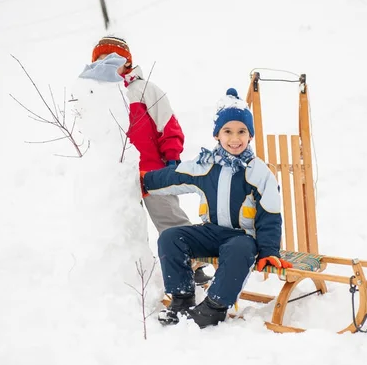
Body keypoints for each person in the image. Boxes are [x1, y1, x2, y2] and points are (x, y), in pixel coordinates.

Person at [141, 88, 293, 329]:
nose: (235, 138)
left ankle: (214, 307)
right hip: (211, 232)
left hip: (242, 237)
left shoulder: (258, 171)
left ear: (250, 136)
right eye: (228, 131)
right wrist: (143, 181)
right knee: (171, 237)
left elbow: (270, 215)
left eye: (242, 131)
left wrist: (268, 250)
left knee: (238, 249)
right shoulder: (206, 166)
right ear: (217, 135)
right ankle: (181, 298)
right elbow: (174, 176)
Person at [84, 35, 211, 284]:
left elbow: (169, 126)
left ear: (126, 63)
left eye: (112, 59)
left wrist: (172, 159)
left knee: (170, 220)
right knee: (125, 229)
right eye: (100, 60)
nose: (106, 64)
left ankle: (194, 264)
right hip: (118, 178)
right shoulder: (98, 97)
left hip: (152, 173)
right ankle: (136, 276)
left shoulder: (144, 90)